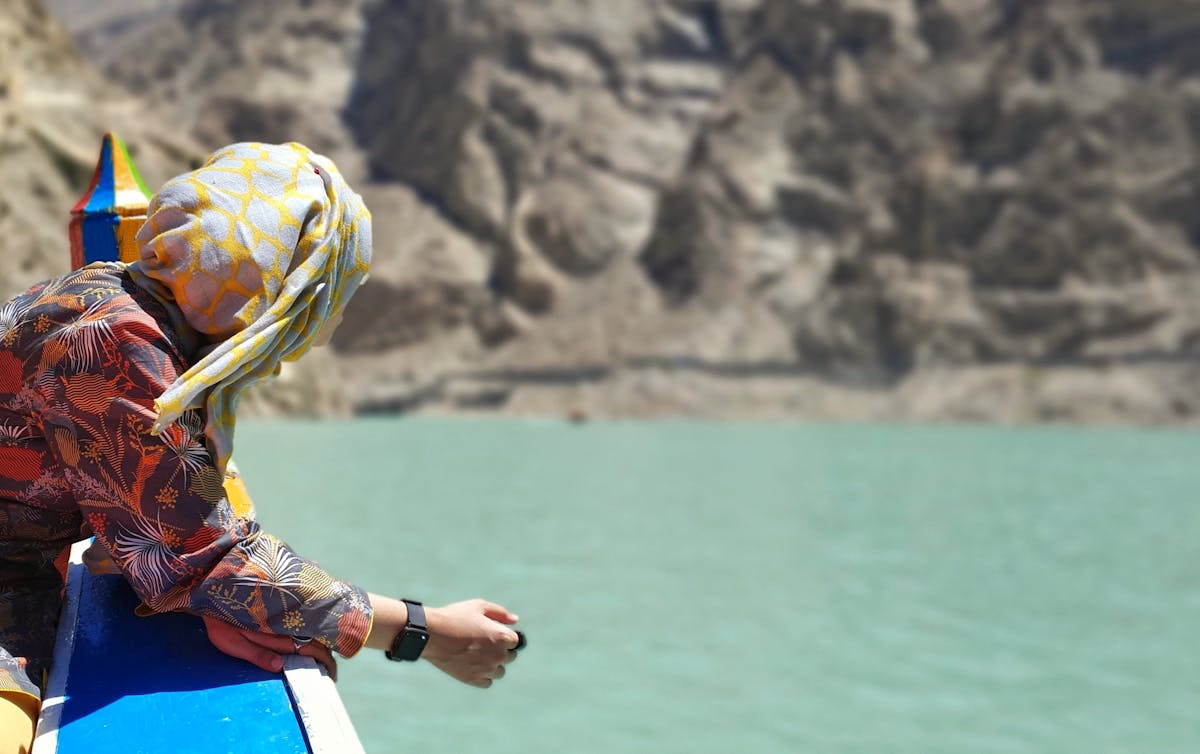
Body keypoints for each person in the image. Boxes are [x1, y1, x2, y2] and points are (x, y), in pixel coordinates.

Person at [0, 142, 521, 753]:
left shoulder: (113, 294)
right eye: (321, 298)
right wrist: (425, 632)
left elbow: (163, 531)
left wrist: (210, 599)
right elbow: (206, 555)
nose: (321, 333)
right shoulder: (118, 343)